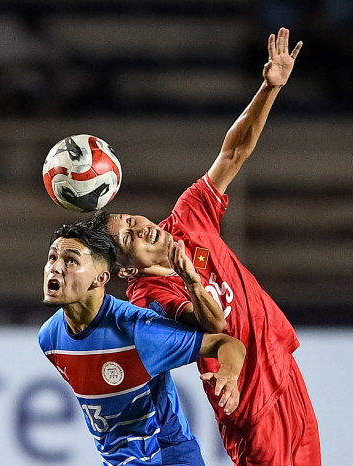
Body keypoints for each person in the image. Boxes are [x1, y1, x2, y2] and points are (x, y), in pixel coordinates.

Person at [93, 27, 321, 466]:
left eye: (131, 219)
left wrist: (269, 88)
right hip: (250, 409)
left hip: (285, 374)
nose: (140, 228)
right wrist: (191, 280)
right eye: (127, 237)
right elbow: (212, 324)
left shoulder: (187, 216)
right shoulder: (149, 297)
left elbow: (232, 153)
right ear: (123, 268)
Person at [38, 221, 246, 466]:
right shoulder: (50, 339)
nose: (55, 267)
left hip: (168, 458)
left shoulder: (138, 332)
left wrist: (229, 376)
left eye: (71, 260)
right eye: (52, 257)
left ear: (100, 278)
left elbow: (226, 342)